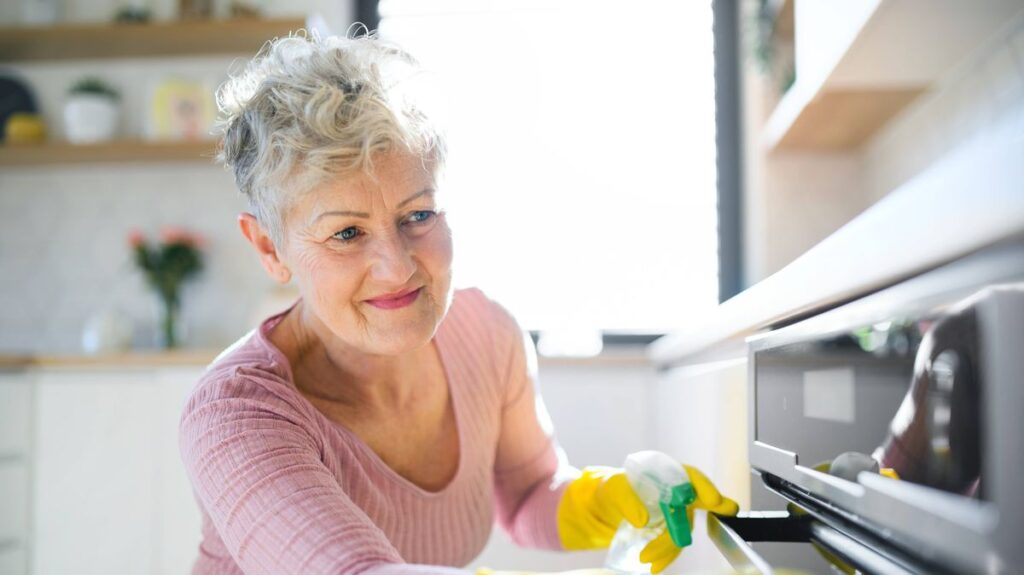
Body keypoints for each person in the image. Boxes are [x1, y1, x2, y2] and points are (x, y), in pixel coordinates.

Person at [178, 32, 738, 575]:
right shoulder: (236, 413)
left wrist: (613, 499)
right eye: (347, 234)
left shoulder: (486, 335)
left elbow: (525, 496)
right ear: (270, 248)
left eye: (417, 215)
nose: (397, 267)